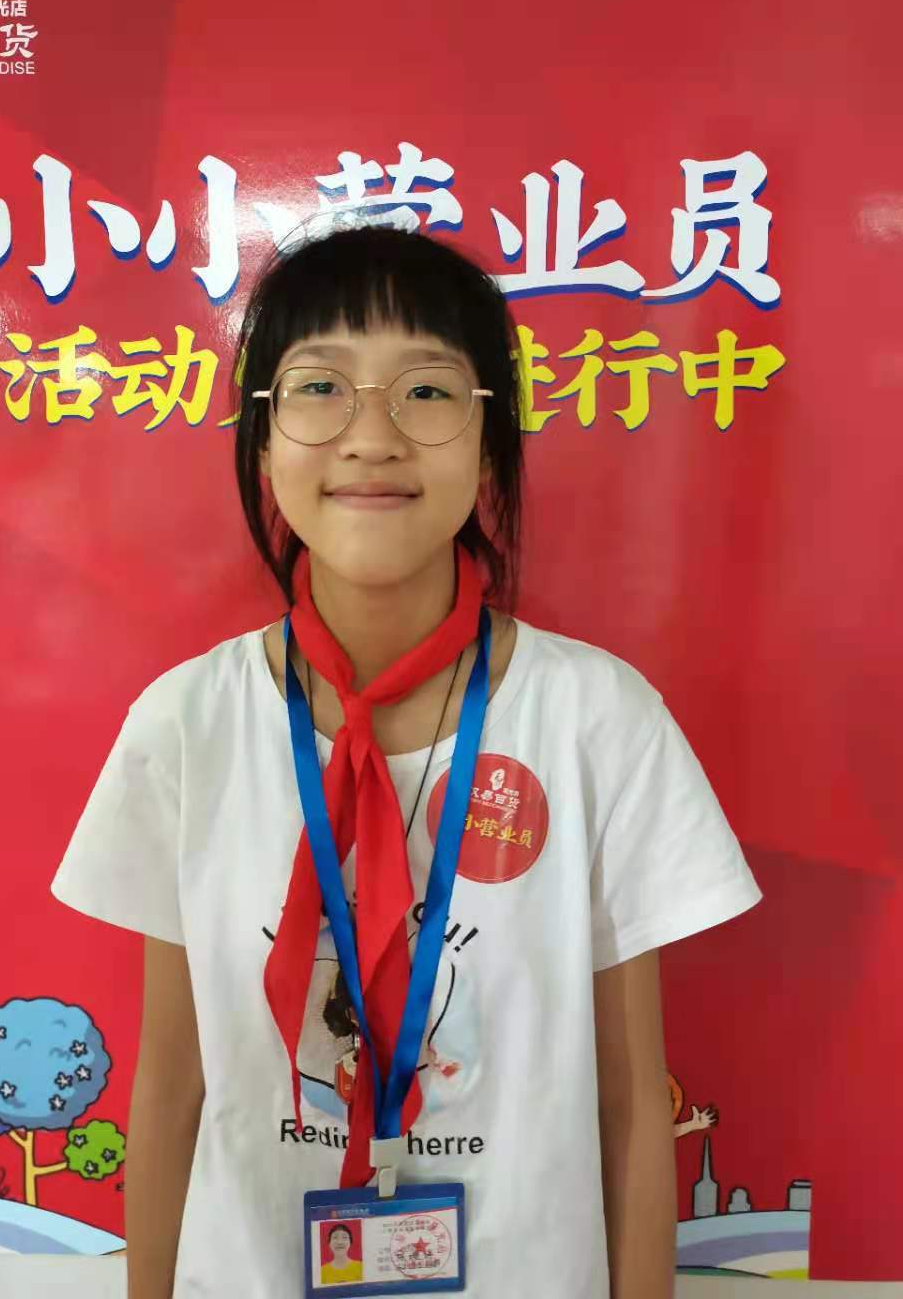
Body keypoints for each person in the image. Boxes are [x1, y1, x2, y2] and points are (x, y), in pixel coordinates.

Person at [50, 224, 763, 1299]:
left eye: (427, 391)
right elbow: (170, 1089)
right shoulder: (188, 724)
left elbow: (629, 1106)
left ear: (490, 446)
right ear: (262, 442)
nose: (371, 438)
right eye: (319, 388)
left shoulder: (597, 720)